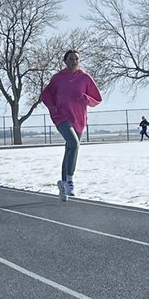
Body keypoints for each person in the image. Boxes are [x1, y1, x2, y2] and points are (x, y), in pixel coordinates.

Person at [40, 49, 102, 201]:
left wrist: (86, 98)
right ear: (65, 61)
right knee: (74, 144)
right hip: (61, 117)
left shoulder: (85, 78)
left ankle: (63, 184)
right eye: (70, 59)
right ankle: (69, 181)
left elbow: (97, 98)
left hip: (79, 118)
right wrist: (54, 108)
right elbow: (45, 95)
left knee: (70, 149)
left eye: (76, 59)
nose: (73, 61)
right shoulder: (58, 78)